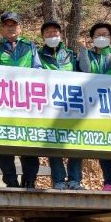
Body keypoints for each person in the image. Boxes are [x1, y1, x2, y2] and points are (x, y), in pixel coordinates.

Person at [0, 12, 43, 188]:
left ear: (20, 28)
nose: (10, 28)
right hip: (3, 103)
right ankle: (10, 180)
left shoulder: (29, 46)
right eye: (6, 25)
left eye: (14, 25)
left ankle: (30, 180)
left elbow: (38, 68)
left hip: (28, 103)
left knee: (30, 143)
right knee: (4, 143)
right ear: (1, 29)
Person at [78, 22, 111, 192]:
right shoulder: (87, 54)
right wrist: (83, 50)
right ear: (92, 38)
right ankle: (108, 181)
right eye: (97, 35)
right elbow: (85, 71)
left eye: (106, 34)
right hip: (94, 106)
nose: (102, 37)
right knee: (103, 144)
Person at [37, 20, 83, 190]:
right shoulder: (38, 54)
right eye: (48, 32)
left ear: (60, 34)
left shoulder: (70, 54)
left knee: (75, 141)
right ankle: (58, 180)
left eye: (55, 32)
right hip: (49, 104)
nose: (52, 35)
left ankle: (75, 179)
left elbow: (81, 75)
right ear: (43, 36)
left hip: (72, 103)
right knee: (53, 141)